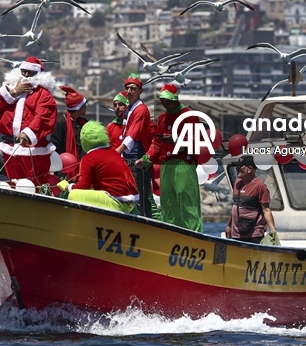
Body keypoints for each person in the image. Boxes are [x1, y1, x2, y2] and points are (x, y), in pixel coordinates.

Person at [136, 83, 202, 232]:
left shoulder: (189, 115)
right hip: (166, 165)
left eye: (169, 101)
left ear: (175, 99)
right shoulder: (162, 118)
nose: (166, 105)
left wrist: (175, 140)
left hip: (183, 163)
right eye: (164, 102)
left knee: (187, 202)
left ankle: (194, 235)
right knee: (168, 204)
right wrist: (146, 159)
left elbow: (195, 140)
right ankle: (171, 234)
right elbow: (157, 143)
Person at [0, 55, 58, 186]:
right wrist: (14, 92)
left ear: (38, 74)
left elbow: (44, 116)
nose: (26, 75)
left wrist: (28, 133)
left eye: (30, 72)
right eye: (23, 71)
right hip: (10, 147)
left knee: (33, 184)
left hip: (34, 150)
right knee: (13, 183)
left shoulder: (43, 94)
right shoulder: (10, 88)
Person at [57, 121, 139, 213]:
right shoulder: (113, 153)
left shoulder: (88, 158)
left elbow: (83, 186)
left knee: (74, 194)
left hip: (116, 201)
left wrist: (68, 187)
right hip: (131, 203)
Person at [117, 73, 156, 219]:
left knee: (141, 200)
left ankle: (147, 227)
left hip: (138, 162)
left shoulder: (141, 109)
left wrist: (119, 150)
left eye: (133, 88)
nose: (129, 91)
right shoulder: (129, 108)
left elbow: (133, 133)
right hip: (128, 162)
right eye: (127, 88)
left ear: (140, 91)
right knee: (130, 198)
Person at [226, 156, 276, 244]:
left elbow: (266, 210)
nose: (237, 168)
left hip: (253, 235)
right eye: (237, 166)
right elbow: (235, 206)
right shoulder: (237, 183)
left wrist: (273, 232)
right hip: (236, 234)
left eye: (240, 166)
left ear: (249, 169)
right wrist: (229, 226)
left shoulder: (260, 186)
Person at [51, 86, 88, 159]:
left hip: (81, 165)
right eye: (84, 105)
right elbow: (55, 147)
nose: (86, 107)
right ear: (78, 108)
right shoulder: (60, 123)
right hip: (64, 165)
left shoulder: (84, 123)